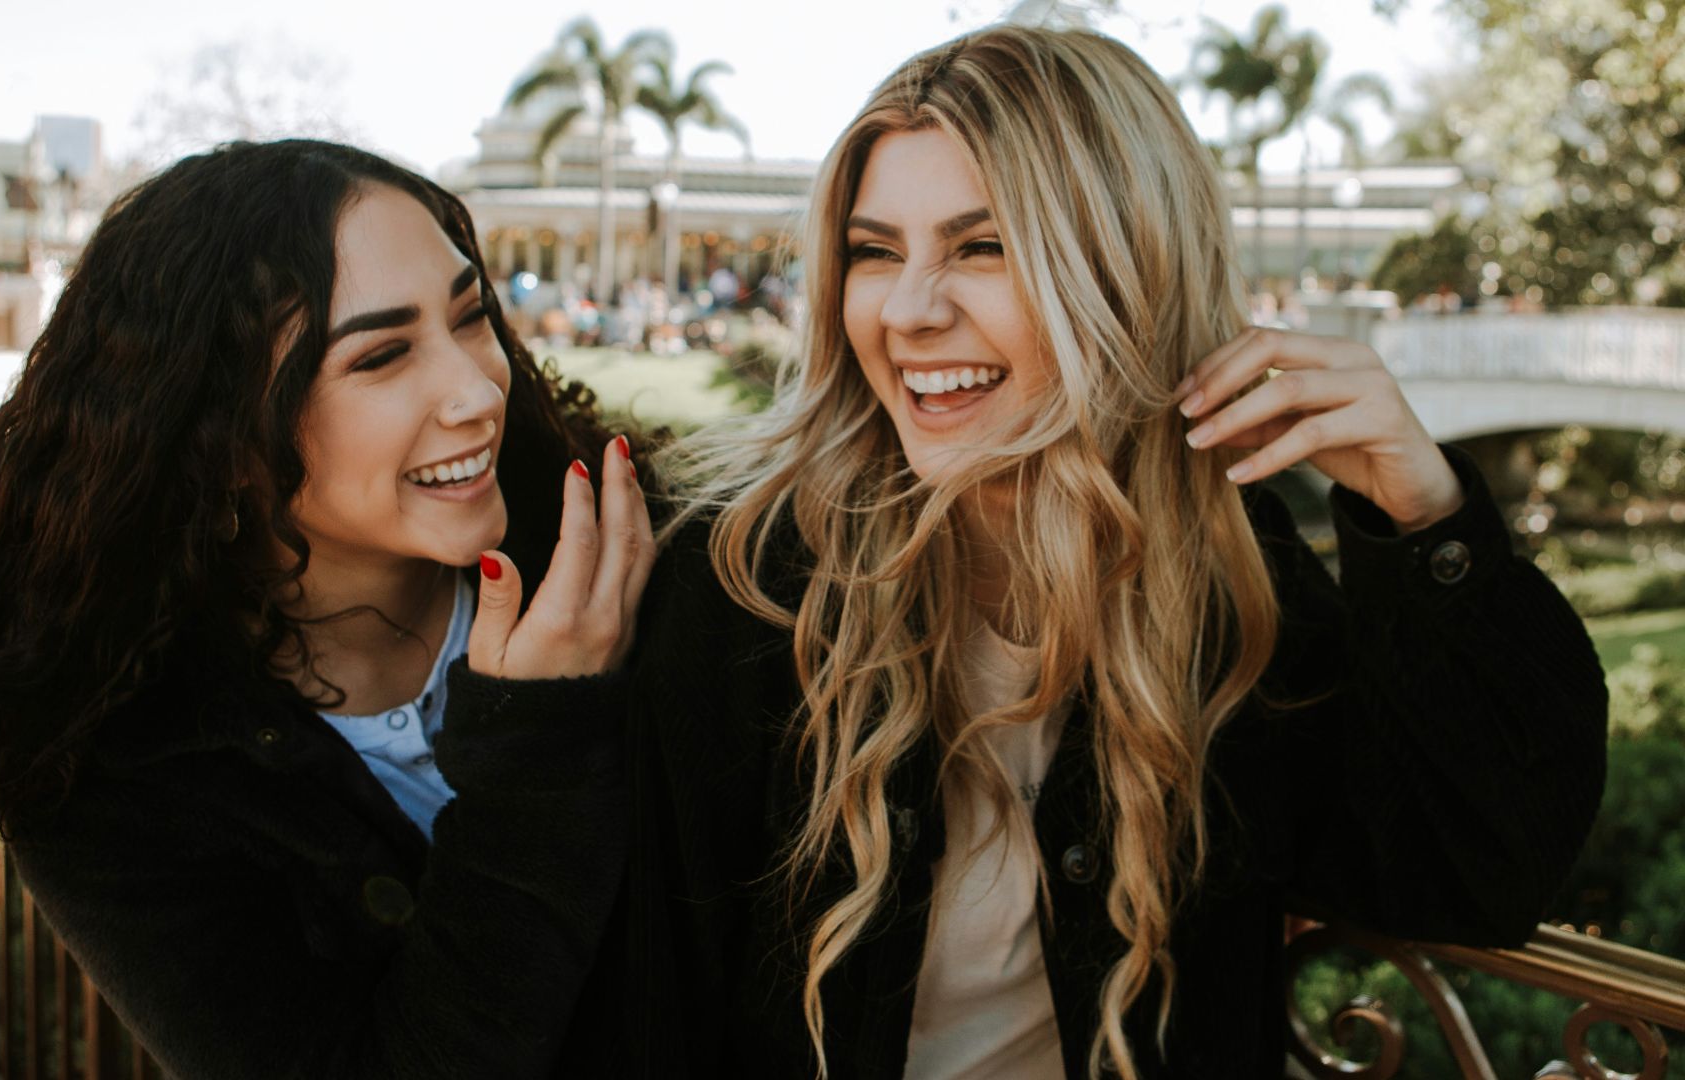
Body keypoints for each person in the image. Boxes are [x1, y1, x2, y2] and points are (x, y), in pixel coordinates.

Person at [625, 26, 1607, 1079]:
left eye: (982, 246)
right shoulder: (747, 580)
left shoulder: (1227, 569)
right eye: (875, 252)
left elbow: (1482, 872)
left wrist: (1433, 526)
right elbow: (646, 1006)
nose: (909, 310)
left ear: (1125, 265)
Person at [0, 140, 653, 1078]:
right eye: (381, 356)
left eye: (471, 314)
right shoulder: (112, 778)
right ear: (219, 433)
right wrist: (538, 747)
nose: (479, 390)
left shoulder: (628, 552)